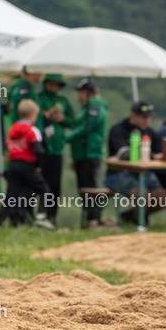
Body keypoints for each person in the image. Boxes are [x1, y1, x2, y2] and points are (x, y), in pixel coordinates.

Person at [105, 101, 166, 225]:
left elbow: (159, 153)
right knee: (141, 195)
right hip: (119, 173)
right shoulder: (118, 129)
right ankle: (140, 224)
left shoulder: (150, 132)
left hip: (145, 173)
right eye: (143, 117)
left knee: (163, 198)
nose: (147, 120)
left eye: (149, 117)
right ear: (133, 115)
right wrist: (151, 155)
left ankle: (131, 217)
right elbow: (123, 153)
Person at [0, 100, 50, 229]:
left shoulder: (13, 128)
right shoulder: (32, 130)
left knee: (11, 196)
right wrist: (39, 165)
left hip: (13, 165)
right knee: (45, 191)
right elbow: (38, 149)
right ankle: (41, 217)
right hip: (27, 165)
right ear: (33, 114)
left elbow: (8, 145)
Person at [66, 79, 107, 227]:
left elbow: (85, 129)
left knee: (90, 188)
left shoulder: (94, 107)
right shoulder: (87, 108)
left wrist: (65, 138)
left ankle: (92, 220)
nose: (79, 96)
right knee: (84, 189)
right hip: (82, 155)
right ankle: (89, 220)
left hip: (90, 154)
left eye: (81, 93)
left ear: (88, 93)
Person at [36, 74, 75, 224]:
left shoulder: (63, 101)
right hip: (41, 148)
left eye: (57, 85)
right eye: (51, 84)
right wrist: (44, 115)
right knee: (40, 183)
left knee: (55, 185)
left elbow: (73, 122)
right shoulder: (39, 98)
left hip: (57, 149)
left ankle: (51, 217)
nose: (54, 87)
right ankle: (39, 215)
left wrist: (62, 119)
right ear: (46, 83)